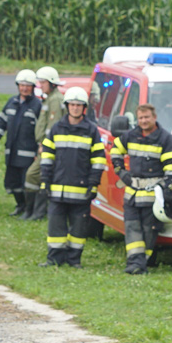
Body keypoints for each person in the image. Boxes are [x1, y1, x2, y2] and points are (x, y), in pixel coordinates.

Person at [110, 103, 172, 275]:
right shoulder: (130, 136)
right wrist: (121, 172)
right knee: (131, 228)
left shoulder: (165, 139)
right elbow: (115, 150)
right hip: (132, 194)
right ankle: (135, 263)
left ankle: (142, 263)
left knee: (149, 230)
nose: (143, 121)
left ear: (154, 118)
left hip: (152, 195)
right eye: (140, 118)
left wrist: (168, 188)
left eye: (147, 117)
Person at [39, 86, 106, 268]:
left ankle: (74, 260)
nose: (75, 108)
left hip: (81, 191)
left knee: (79, 229)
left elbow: (98, 161)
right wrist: (45, 181)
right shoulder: (56, 129)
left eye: (79, 105)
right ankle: (54, 259)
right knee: (56, 228)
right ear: (67, 106)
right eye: (72, 104)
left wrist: (93, 184)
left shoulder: (91, 131)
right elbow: (47, 157)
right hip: (57, 190)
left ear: (84, 108)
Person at [0, 69, 42, 218]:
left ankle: (30, 209)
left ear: (33, 87)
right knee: (12, 182)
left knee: (27, 183)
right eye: (21, 85)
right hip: (12, 152)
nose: (24, 88)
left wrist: (39, 149)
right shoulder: (11, 102)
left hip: (28, 154)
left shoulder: (37, 106)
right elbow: (1, 121)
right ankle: (20, 205)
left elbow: (41, 129)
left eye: (27, 85)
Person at [23, 66, 64, 223]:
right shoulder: (50, 98)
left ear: (52, 83)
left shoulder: (55, 100)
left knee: (33, 175)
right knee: (38, 177)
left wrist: (44, 145)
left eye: (43, 82)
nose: (40, 86)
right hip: (45, 146)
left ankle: (36, 212)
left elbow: (52, 127)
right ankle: (33, 212)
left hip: (49, 148)